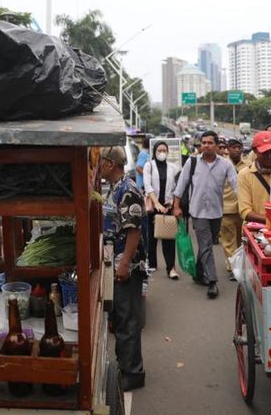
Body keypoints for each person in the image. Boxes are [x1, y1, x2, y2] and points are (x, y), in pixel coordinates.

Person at [98, 146, 146, 391]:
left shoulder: (128, 191)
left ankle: (133, 373)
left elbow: (134, 231)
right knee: (120, 317)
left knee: (127, 321)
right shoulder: (114, 189)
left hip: (126, 265)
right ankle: (126, 364)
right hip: (115, 262)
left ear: (110, 164)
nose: (98, 165)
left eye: (101, 160)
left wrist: (124, 264)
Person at [172, 131, 238, 299]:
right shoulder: (192, 163)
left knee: (205, 245)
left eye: (210, 143)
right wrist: (176, 206)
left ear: (216, 146)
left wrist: (246, 206)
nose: (206, 145)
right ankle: (212, 281)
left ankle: (198, 273)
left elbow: (236, 186)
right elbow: (181, 185)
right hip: (198, 211)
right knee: (206, 244)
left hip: (217, 212)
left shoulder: (226, 165)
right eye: (204, 143)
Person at [142, 141, 181, 278]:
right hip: (154, 206)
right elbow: (147, 185)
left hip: (168, 206)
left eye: (164, 150)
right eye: (159, 150)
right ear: (154, 152)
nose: (162, 153)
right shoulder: (149, 166)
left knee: (169, 238)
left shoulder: (173, 168)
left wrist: (171, 203)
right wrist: (157, 203)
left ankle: (171, 268)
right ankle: (152, 264)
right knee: (152, 236)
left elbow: (177, 187)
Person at [220, 138, 249, 281]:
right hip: (226, 208)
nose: (237, 150)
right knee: (229, 241)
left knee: (241, 241)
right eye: (234, 147)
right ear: (228, 149)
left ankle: (240, 266)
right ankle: (232, 268)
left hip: (244, 210)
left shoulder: (248, 165)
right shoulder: (221, 164)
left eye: (239, 147)